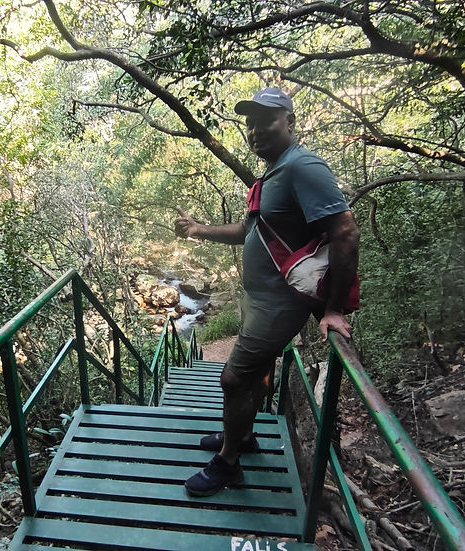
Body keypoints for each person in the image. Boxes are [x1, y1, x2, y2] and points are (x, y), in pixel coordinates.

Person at [173, 87, 359, 497]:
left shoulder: (303, 167)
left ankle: (228, 464)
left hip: (278, 304)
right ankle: (241, 436)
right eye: (250, 123)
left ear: (290, 122)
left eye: (266, 120)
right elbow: (249, 230)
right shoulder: (274, 173)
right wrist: (199, 229)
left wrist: (333, 310)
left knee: (233, 378)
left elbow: (345, 232)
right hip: (259, 300)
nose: (255, 130)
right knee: (255, 374)